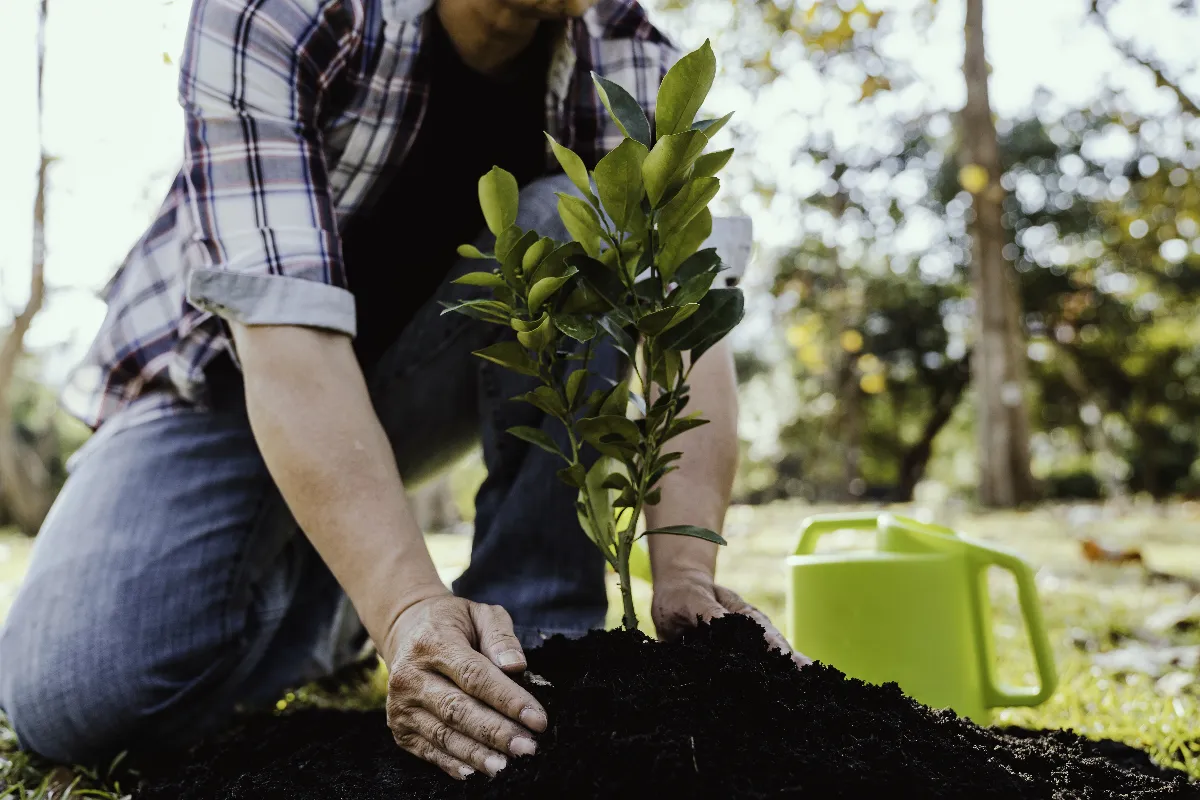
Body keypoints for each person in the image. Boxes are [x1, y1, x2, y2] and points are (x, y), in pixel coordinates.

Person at [0, 0, 801, 782]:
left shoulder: (634, 59)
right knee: (75, 697)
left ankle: (535, 654)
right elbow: (287, 339)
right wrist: (403, 604)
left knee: (577, 215)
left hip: (417, 393)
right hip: (219, 384)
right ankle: (345, 593)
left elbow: (686, 330)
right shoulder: (280, 12)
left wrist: (686, 576)